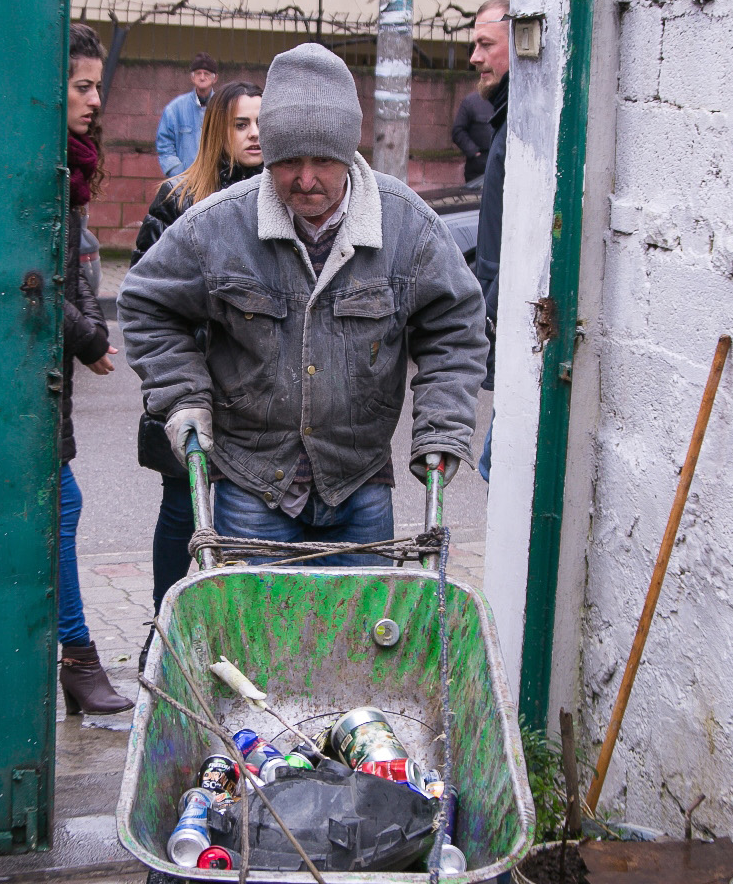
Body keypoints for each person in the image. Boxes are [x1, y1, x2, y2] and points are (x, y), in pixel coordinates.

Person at [120, 44, 486, 564]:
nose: (307, 179)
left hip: (358, 479)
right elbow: (145, 303)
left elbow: (457, 327)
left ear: (350, 153)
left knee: (364, 619)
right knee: (257, 620)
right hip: (253, 483)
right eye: (289, 161)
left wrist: (442, 425)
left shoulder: (409, 228)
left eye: (324, 162)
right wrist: (182, 394)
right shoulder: (218, 227)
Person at [132, 81, 265, 608]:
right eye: (241, 124)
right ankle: (162, 623)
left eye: (261, 122)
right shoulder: (179, 198)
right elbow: (149, 297)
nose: (254, 134)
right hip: (191, 386)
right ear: (216, 131)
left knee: (242, 522)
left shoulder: (279, 199)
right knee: (181, 512)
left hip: (253, 395)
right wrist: (185, 377)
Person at [57, 23, 132, 716]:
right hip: (34, 384)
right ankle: (77, 658)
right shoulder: (41, 171)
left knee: (60, 505)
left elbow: (75, 273)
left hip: (53, 383)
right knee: (61, 505)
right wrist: (86, 337)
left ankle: (75, 660)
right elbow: (33, 281)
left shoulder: (70, 169)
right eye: (82, 86)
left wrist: (91, 330)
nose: (95, 100)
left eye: (97, 86)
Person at [468, 0, 510, 481]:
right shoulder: (507, 116)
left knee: (496, 466)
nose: (474, 57)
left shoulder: (523, 119)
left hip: (517, 327)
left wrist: (492, 312)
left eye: (485, 44)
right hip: (505, 322)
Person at [154, 51, 220, 179]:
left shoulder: (224, 108)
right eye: (198, 73)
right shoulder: (175, 109)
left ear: (215, 78)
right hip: (183, 182)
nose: (202, 77)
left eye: (206, 74)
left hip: (216, 181)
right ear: (192, 77)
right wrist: (179, 175)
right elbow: (165, 145)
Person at [452, 86, 495, 184]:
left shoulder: (511, 100)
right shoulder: (471, 101)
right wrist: (473, 151)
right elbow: (458, 131)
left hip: (504, 168)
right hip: (478, 169)